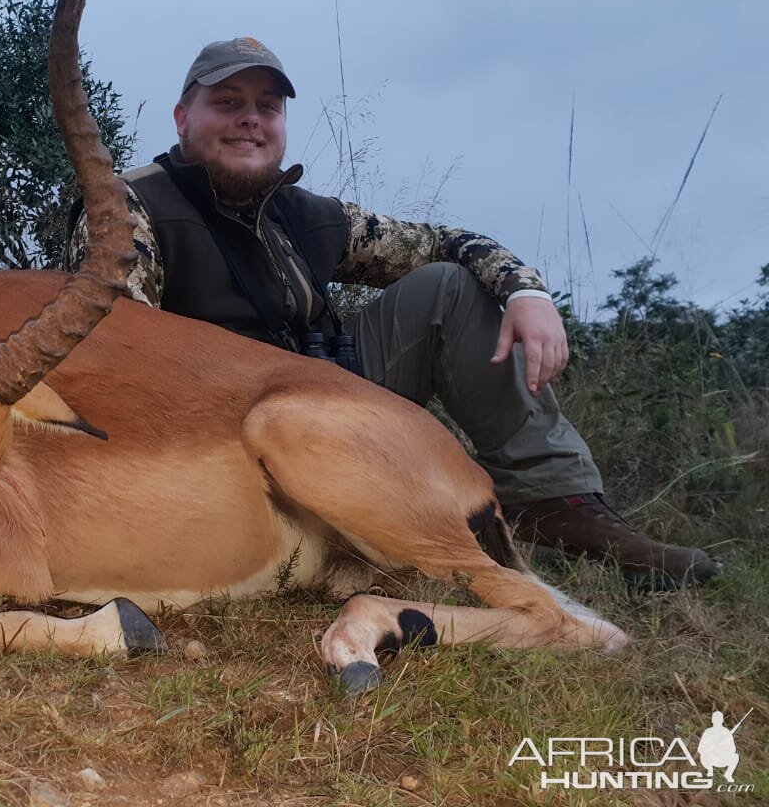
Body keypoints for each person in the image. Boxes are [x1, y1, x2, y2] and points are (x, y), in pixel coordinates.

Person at [66, 36, 717, 588]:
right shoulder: (128, 205)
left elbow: (446, 244)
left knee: (448, 288)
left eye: (267, 106)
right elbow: (124, 354)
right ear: (183, 117)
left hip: (337, 405)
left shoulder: (311, 215)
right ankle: (316, 531)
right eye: (227, 104)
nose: (250, 120)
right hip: (225, 437)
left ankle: (556, 501)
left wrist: (527, 293)